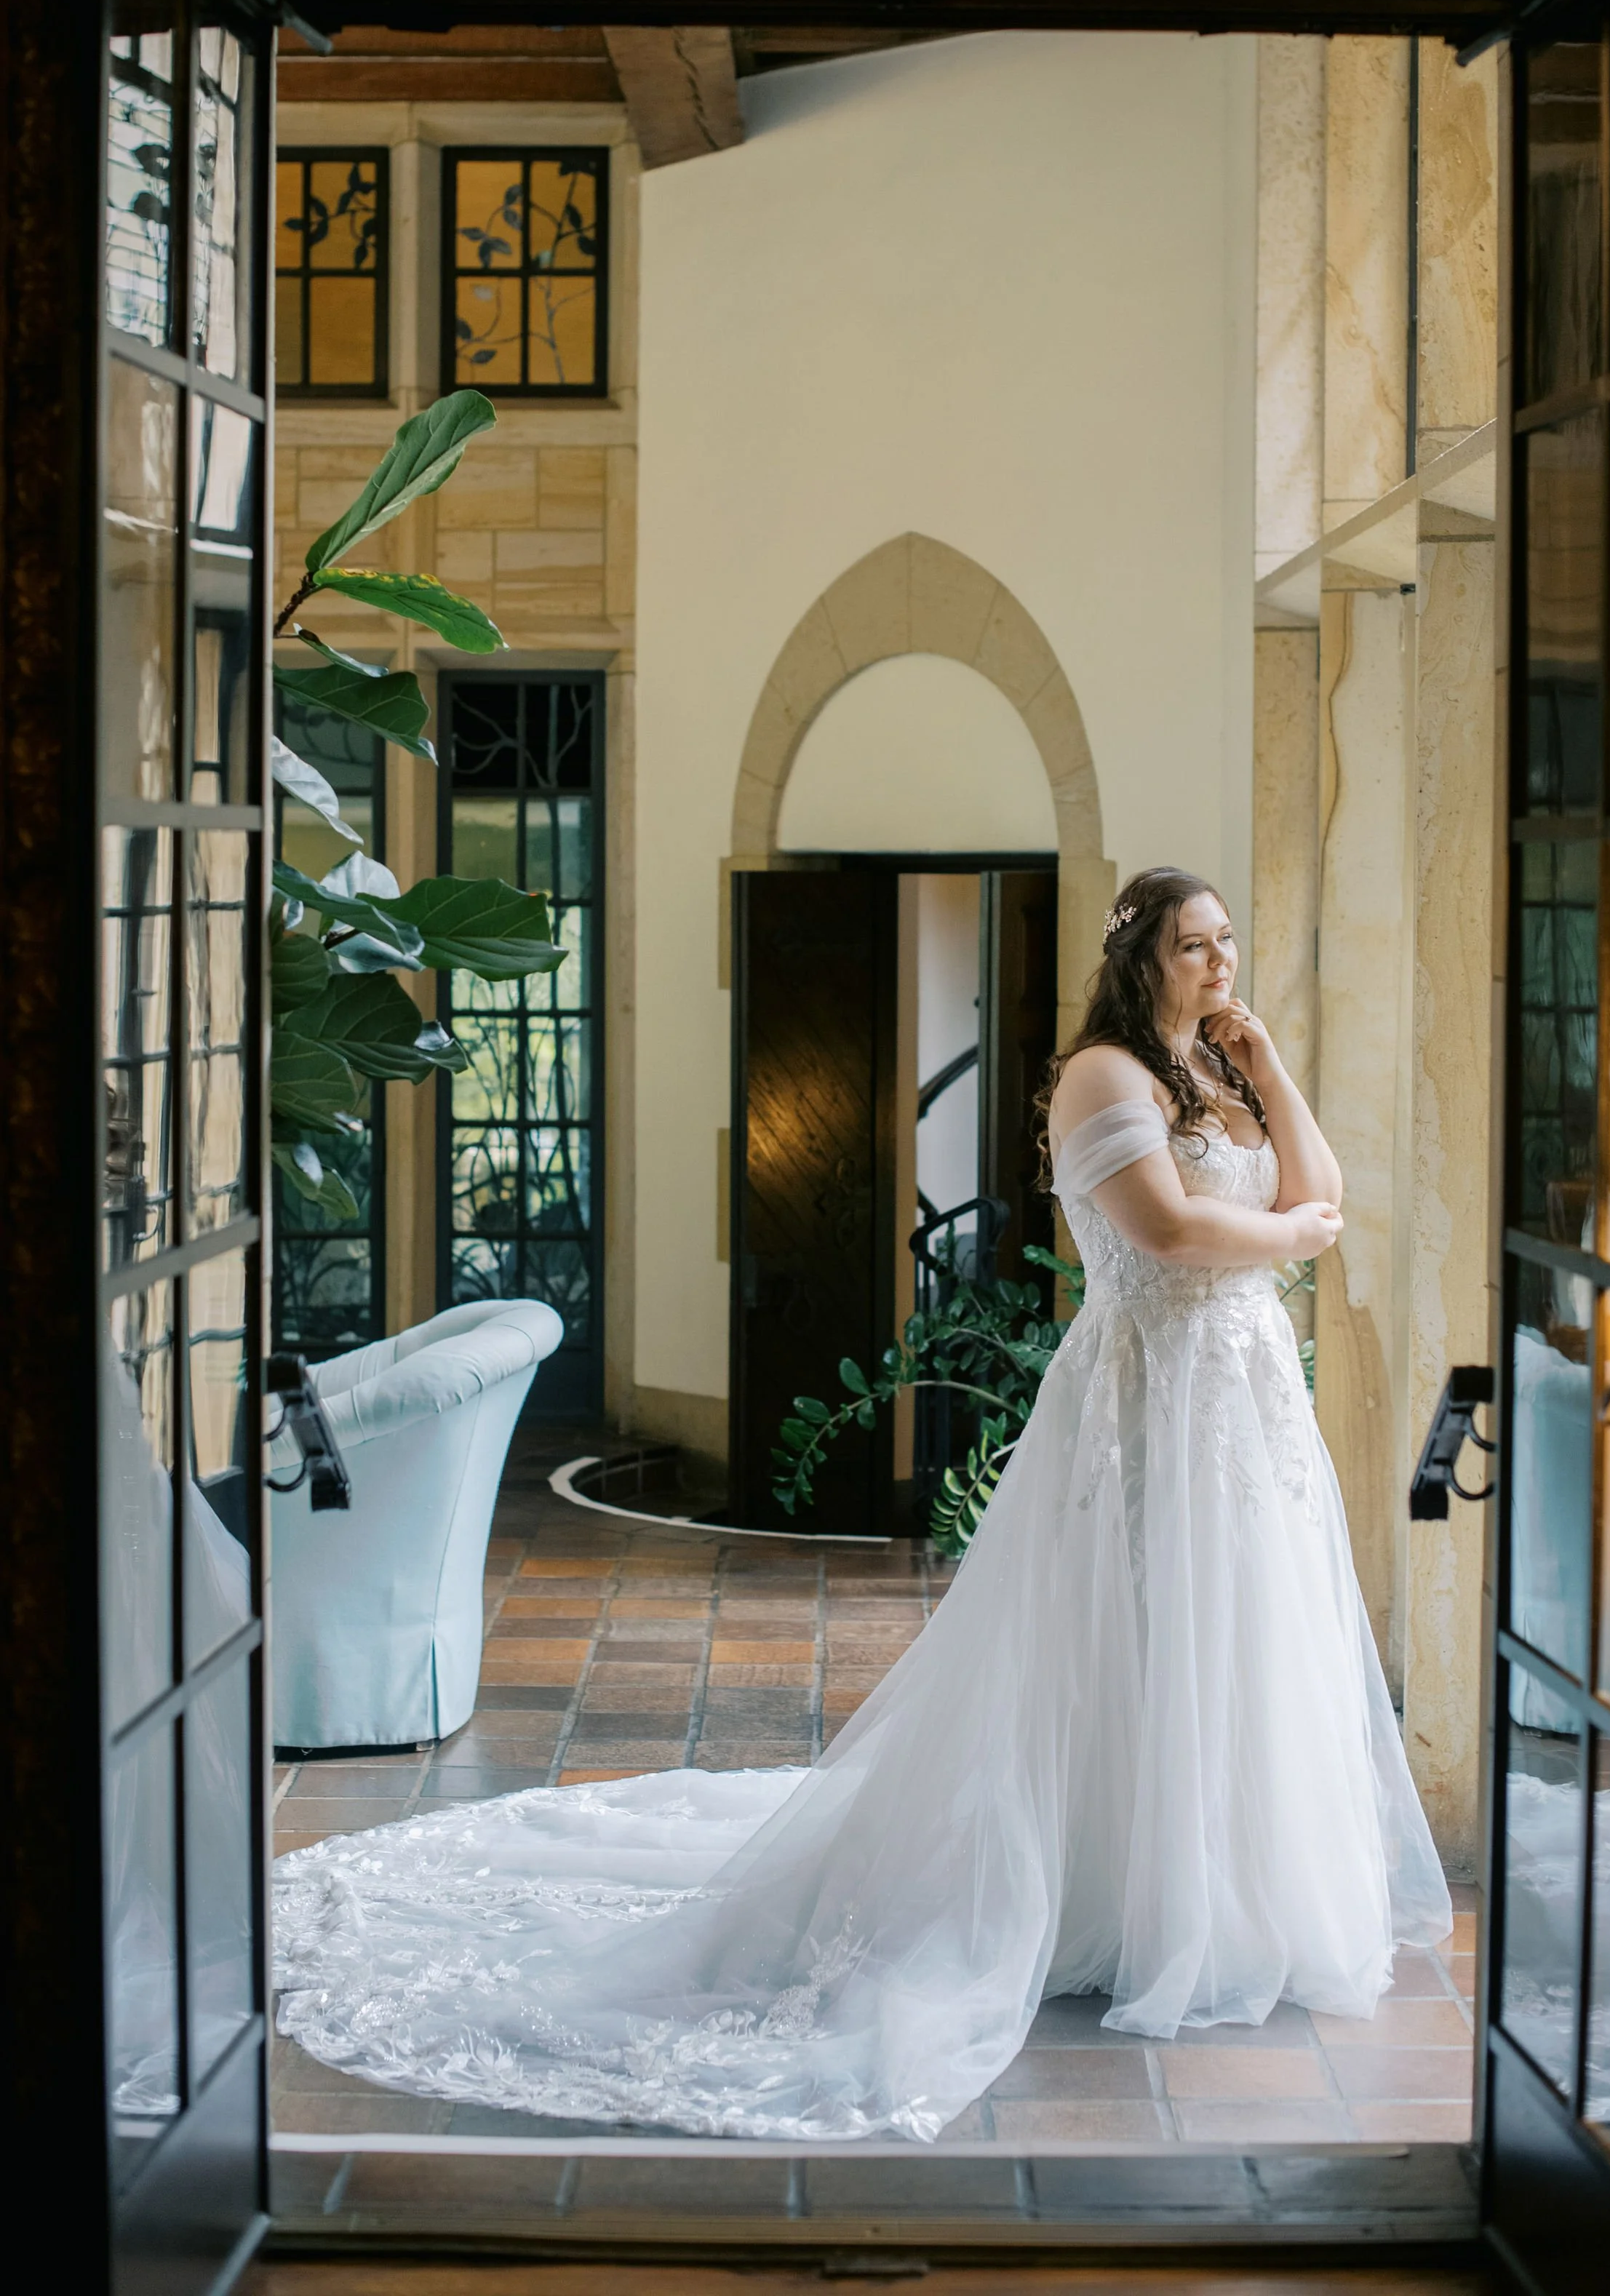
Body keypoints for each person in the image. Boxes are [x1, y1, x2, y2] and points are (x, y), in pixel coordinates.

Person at [274, 866, 1451, 2139]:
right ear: (1140, 960)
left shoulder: (1222, 1072)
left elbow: (1312, 1177)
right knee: (1139, 1628)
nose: (1221, 964)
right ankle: (1114, 1892)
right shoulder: (1103, 1077)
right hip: (1149, 1399)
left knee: (1245, 1633)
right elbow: (1175, 1233)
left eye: (1228, 941)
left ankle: (1229, 1899)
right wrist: (1291, 1241)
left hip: (1244, 1401)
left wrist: (1269, 1069)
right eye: (1194, 945)